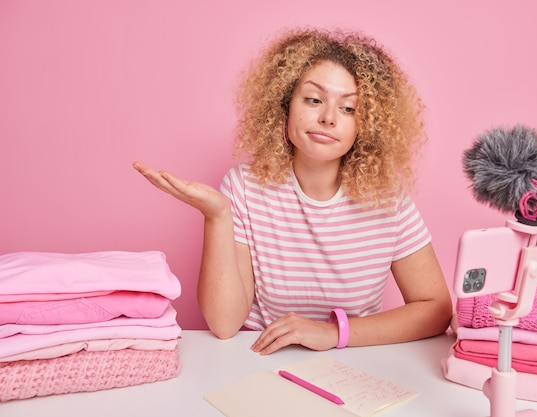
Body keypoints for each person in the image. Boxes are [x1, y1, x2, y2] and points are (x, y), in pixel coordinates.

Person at [133, 27, 452, 355]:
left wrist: (333, 334)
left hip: (354, 364)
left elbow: (436, 308)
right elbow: (224, 324)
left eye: (348, 108)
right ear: (285, 105)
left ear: (367, 124)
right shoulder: (244, 187)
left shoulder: (387, 198)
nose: (328, 118)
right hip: (259, 359)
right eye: (314, 100)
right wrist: (217, 216)